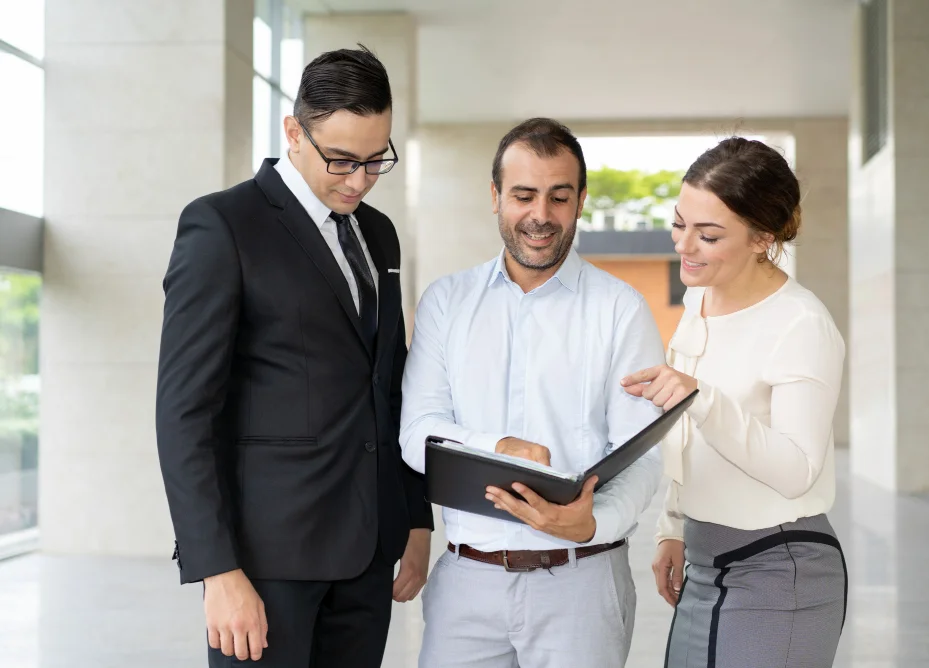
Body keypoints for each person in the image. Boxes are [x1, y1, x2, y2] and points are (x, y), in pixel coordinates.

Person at [155, 45, 433, 668]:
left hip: (367, 557)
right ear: (293, 133)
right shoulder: (221, 226)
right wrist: (217, 569)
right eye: (342, 159)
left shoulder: (378, 231)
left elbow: (390, 382)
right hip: (265, 565)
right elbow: (184, 414)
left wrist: (415, 517)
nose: (359, 179)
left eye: (375, 160)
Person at [399, 117, 665, 668]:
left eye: (558, 196)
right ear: (495, 197)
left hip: (582, 580)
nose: (540, 215)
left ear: (581, 201)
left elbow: (643, 452)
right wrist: (498, 446)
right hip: (466, 585)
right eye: (523, 195)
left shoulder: (621, 309)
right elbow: (415, 432)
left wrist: (593, 522)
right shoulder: (446, 303)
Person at [620, 137, 848, 668]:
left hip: (778, 567)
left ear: (762, 237)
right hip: (704, 559)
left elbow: (797, 470)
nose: (684, 245)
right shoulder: (702, 297)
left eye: (709, 234)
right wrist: (673, 526)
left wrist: (702, 398)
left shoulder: (800, 323)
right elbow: (686, 429)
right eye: (680, 223)